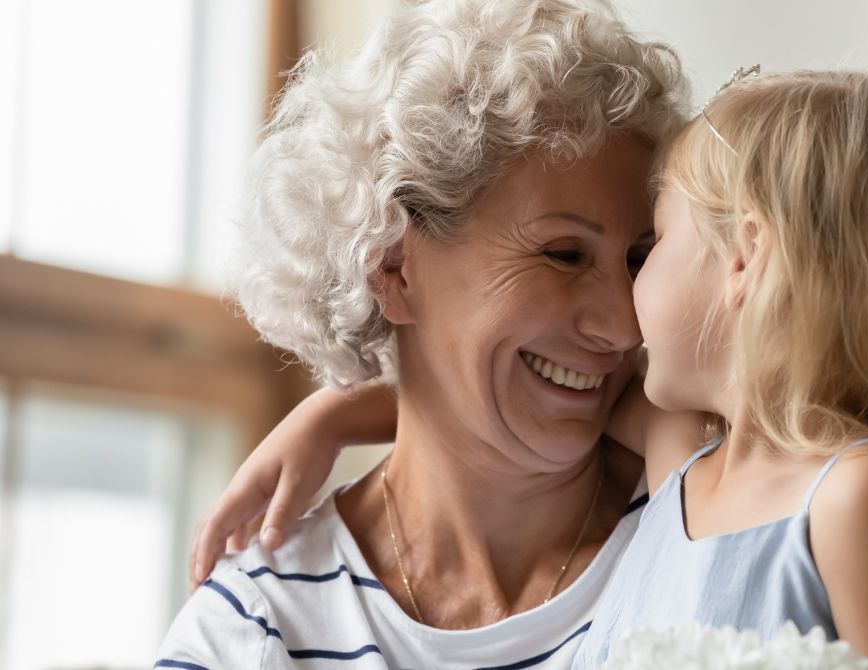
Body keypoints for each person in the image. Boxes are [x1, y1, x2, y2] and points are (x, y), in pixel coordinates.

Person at [155, 0, 687, 667]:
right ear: (393, 267)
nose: (624, 324)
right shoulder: (258, 626)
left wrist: (342, 411)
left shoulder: (704, 518)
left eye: (639, 259)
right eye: (564, 254)